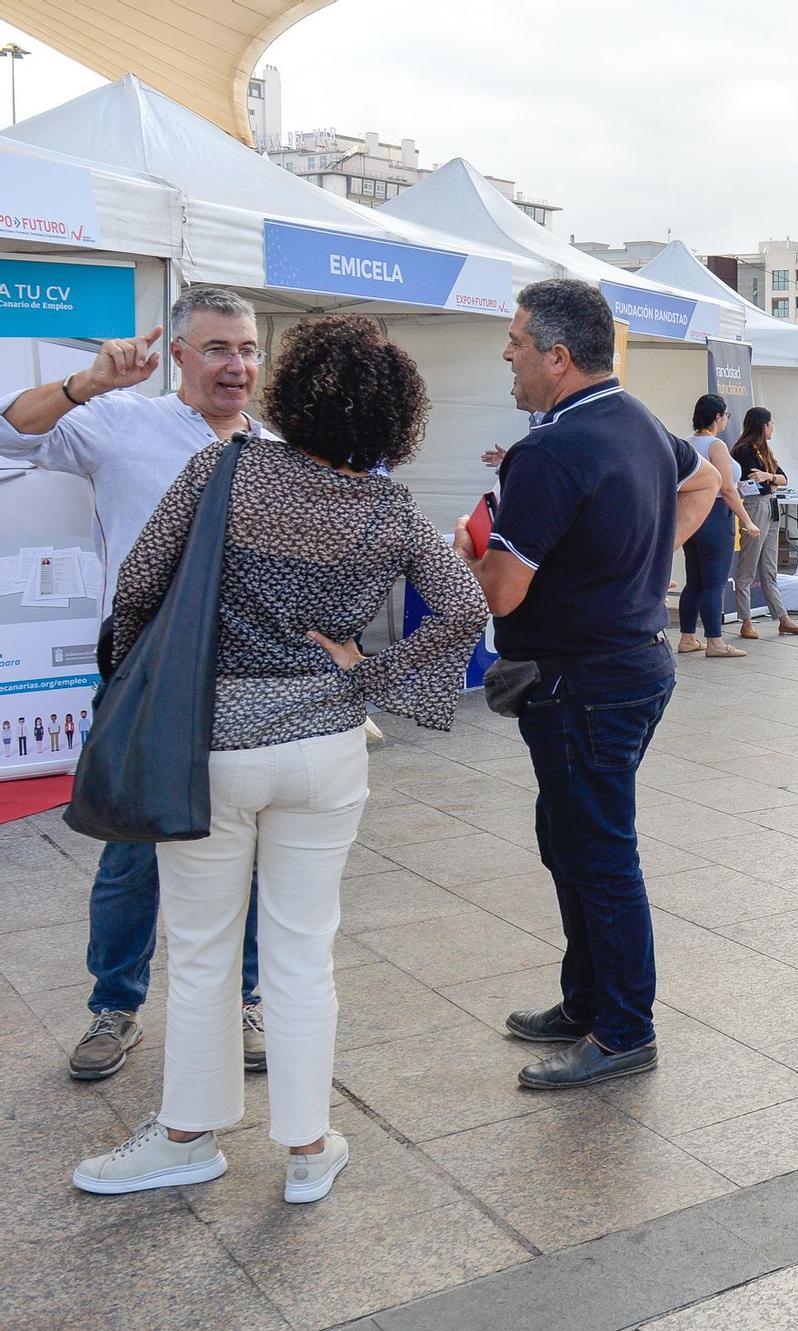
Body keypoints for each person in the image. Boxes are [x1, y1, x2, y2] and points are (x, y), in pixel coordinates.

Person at [70, 315, 486, 1202]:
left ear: (291, 394)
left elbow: (141, 585)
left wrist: (149, 681)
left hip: (212, 746)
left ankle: (186, 1137)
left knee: (204, 948)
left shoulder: (226, 468)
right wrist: (370, 673)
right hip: (327, 750)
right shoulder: (389, 509)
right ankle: (307, 1149)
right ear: (394, 417)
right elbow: (463, 613)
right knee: (302, 951)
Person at [458, 278, 721, 1090]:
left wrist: (463, 554)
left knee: (599, 854)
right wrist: (640, 557)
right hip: (630, 668)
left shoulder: (548, 450)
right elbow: (707, 478)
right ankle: (586, 999)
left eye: (516, 342)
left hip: (585, 682)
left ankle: (624, 1030)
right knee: (568, 839)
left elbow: (501, 591)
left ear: (557, 356)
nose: (507, 355)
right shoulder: (638, 420)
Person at [0, 286, 267, 1082]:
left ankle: (246, 997)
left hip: (249, 676)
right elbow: (10, 436)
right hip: (146, 674)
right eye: (219, 348)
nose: (238, 365)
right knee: (133, 848)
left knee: (251, 843)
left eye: (249, 349)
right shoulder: (123, 421)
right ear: (178, 354)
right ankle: (114, 1005)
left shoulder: (275, 447)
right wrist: (85, 386)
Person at [675, 395, 759, 659]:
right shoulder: (716, 445)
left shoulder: (687, 442)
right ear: (718, 416)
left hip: (691, 515)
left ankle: (688, 637)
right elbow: (726, 488)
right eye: (725, 416)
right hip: (715, 516)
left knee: (695, 582)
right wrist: (747, 519)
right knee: (714, 583)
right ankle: (715, 642)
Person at [731, 406, 798, 640]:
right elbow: (751, 483)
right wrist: (770, 481)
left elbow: (782, 478)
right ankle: (745, 620)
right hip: (755, 506)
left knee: (769, 568)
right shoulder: (744, 450)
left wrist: (769, 478)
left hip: (770, 505)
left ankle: (783, 618)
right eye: (770, 423)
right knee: (747, 567)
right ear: (762, 425)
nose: (773, 427)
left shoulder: (764, 450)